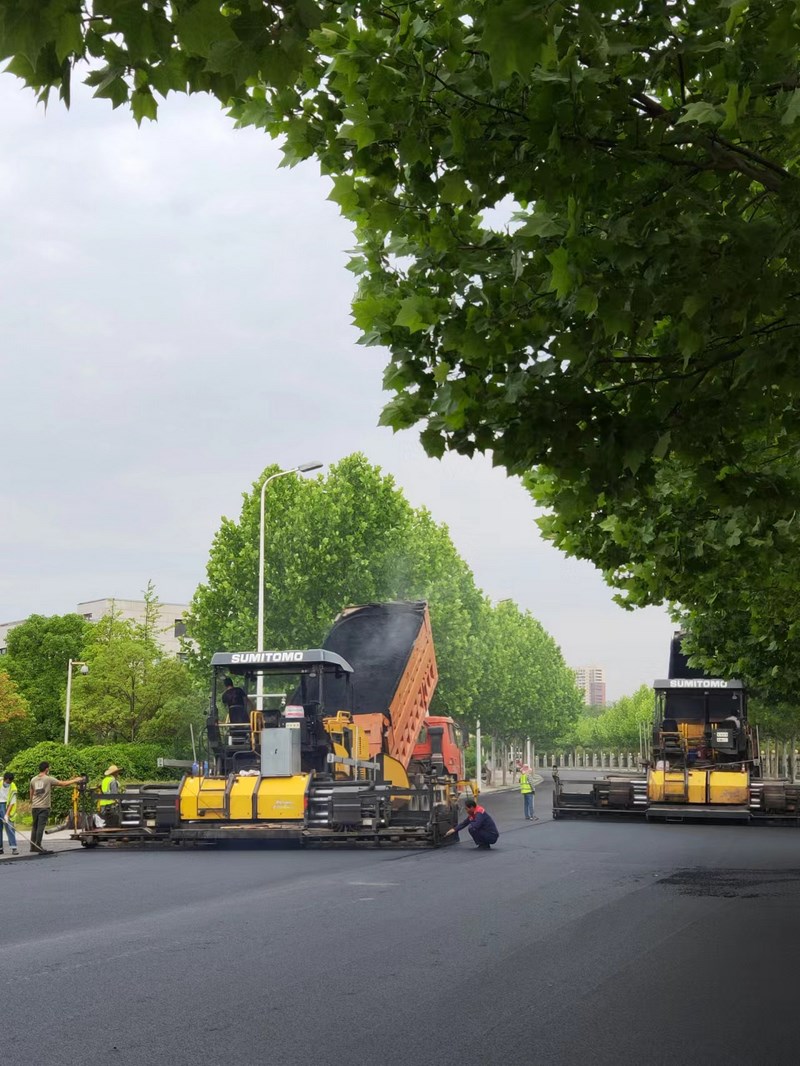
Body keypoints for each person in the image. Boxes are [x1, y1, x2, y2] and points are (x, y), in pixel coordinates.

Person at [29, 762, 84, 854]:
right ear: (46, 769)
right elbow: (63, 783)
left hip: (35, 806)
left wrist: (31, 802)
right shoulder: (48, 779)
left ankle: (32, 846)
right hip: (44, 806)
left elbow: (31, 792)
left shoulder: (33, 779)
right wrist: (75, 780)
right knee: (40, 827)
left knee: (35, 826)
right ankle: (38, 845)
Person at [0, 771, 19, 855]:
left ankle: (14, 847)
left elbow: (12, 802)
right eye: (7, 782)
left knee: (9, 827)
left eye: (10, 782)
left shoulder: (13, 787)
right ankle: (0, 848)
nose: (8, 783)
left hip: (6, 806)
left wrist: (6, 815)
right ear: (4, 779)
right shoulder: (1, 782)